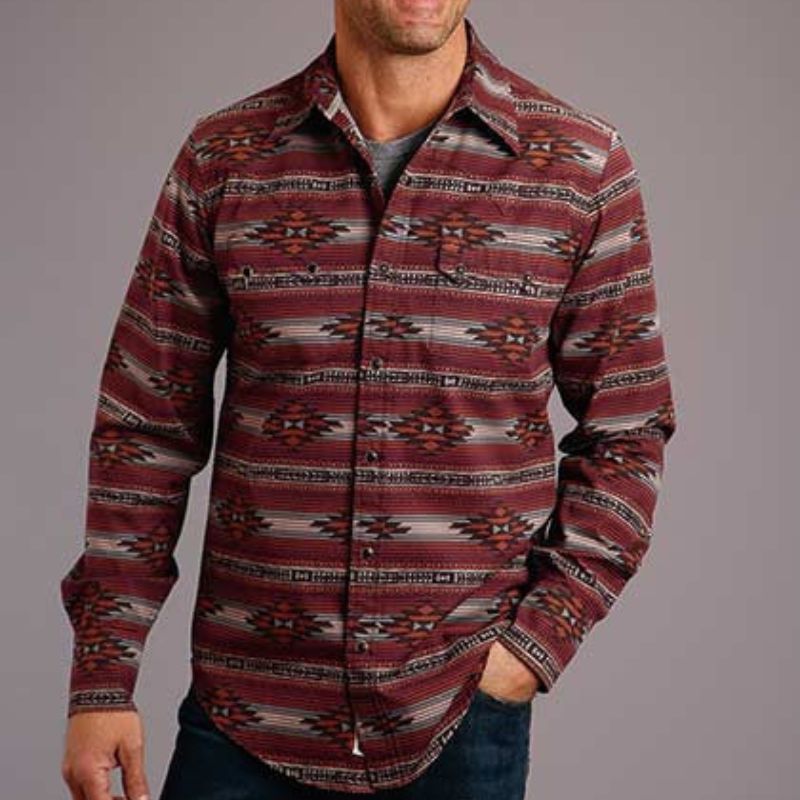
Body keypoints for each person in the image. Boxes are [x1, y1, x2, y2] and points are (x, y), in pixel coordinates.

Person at [59, 2, 677, 799]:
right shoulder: (225, 158)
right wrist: (102, 679)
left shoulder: (579, 166)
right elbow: (144, 429)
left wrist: (534, 646)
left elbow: (628, 431)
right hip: (244, 716)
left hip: (459, 714)